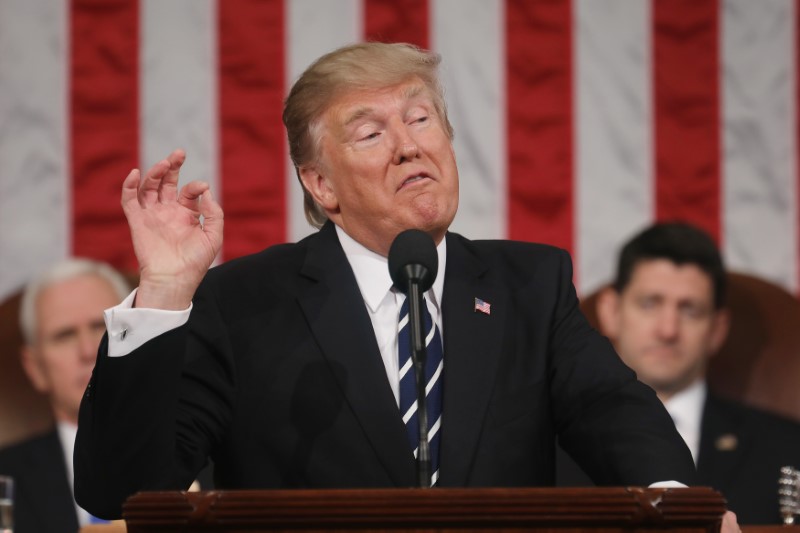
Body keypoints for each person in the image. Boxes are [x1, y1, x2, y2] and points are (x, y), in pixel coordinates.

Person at [75, 42, 711, 522]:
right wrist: (163, 290)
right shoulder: (243, 303)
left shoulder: (531, 284)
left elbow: (611, 412)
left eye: (421, 119)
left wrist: (679, 504)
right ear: (320, 185)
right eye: (372, 133)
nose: (409, 147)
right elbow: (122, 490)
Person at [557, 222, 800, 524]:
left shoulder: (788, 450)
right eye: (650, 304)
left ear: (717, 329)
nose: (668, 330)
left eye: (689, 310)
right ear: (611, 311)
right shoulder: (548, 451)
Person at [0, 258, 130, 532]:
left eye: (100, 326)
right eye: (64, 336)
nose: (87, 350)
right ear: (35, 367)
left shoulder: (210, 464)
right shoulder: (4, 476)